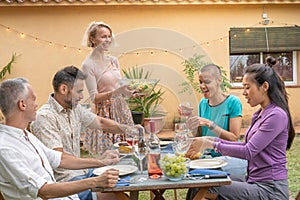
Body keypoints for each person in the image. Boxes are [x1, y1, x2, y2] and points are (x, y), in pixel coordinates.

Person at [186, 58, 295, 200]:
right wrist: (210, 139)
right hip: (253, 180)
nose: (244, 92)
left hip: (270, 189)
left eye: (247, 87)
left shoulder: (276, 115)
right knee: (200, 179)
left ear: (265, 86)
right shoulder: (260, 113)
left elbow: (248, 151)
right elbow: (245, 144)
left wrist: (212, 144)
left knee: (206, 186)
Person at [0, 77, 119, 200]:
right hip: (54, 196)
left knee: (115, 195)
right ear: (22, 104)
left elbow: (60, 159)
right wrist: (96, 181)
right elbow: (44, 191)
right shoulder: (6, 149)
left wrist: (101, 162)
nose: (36, 104)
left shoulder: (25, 135)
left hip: (64, 197)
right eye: (33, 99)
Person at [31, 66, 134, 200]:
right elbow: (60, 160)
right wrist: (99, 161)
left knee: (123, 182)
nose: (82, 96)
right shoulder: (45, 117)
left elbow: (101, 123)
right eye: (79, 91)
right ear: (64, 89)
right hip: (65, 185)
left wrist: (130, 129)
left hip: (82, 173)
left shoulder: (74, 108)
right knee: (116, 197)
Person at [180, 64, 247, 175]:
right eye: (200, 82)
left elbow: (234, 138)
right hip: (207, 158)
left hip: (228, 158)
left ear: (219, 80)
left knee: (198, 177)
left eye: (207, 82)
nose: (202, 86)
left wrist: (209, 123)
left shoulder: (233, 102)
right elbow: (200, 137)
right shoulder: (203, 103)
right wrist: (191, 120)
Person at [81, 21, 135, 155]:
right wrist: (116, 92)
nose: (107, 40)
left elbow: (120, 87)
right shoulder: (88, 65)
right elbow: (94, 98)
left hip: (121, 109)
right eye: (103, 36)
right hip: (105, 112)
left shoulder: (113, 60)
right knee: (110, 154)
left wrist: (131, 93)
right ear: (92, 39)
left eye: (109, 36)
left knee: (128, 150)